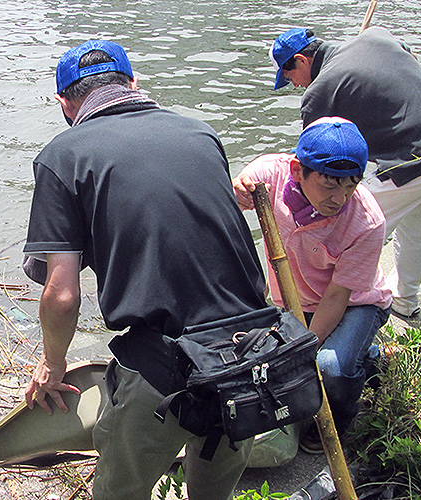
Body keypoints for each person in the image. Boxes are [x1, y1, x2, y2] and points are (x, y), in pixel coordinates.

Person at [22, 40, 272, 499]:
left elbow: (62, 295)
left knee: (120, 491)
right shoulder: (201, 134)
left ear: (65, 103)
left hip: (165, 367)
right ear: (134, 84)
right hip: (249, 357)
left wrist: (52, 365)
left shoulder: (63, 156)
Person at [269, 26, 421, 318]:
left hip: (420, 157)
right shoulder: (374, 37)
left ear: (302, 61)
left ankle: (335, 313)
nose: (294, 85)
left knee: (351, 229)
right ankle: (404, 300)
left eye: (289, 76)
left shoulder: (319, 92)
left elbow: (312, 163)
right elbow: (408, 57)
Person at [232, 116, 392, 454]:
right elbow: (238, 189)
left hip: (355, 302)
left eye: (352, 184)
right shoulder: (271, 176)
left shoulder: (367, 221)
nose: (341, 197)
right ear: (297, 171)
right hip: (296, 300)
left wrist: (305, 348)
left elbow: (337, 296)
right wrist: (238, 188)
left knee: (329, 366)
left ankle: (342, 417)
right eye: (330, 183)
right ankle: (372, 356)